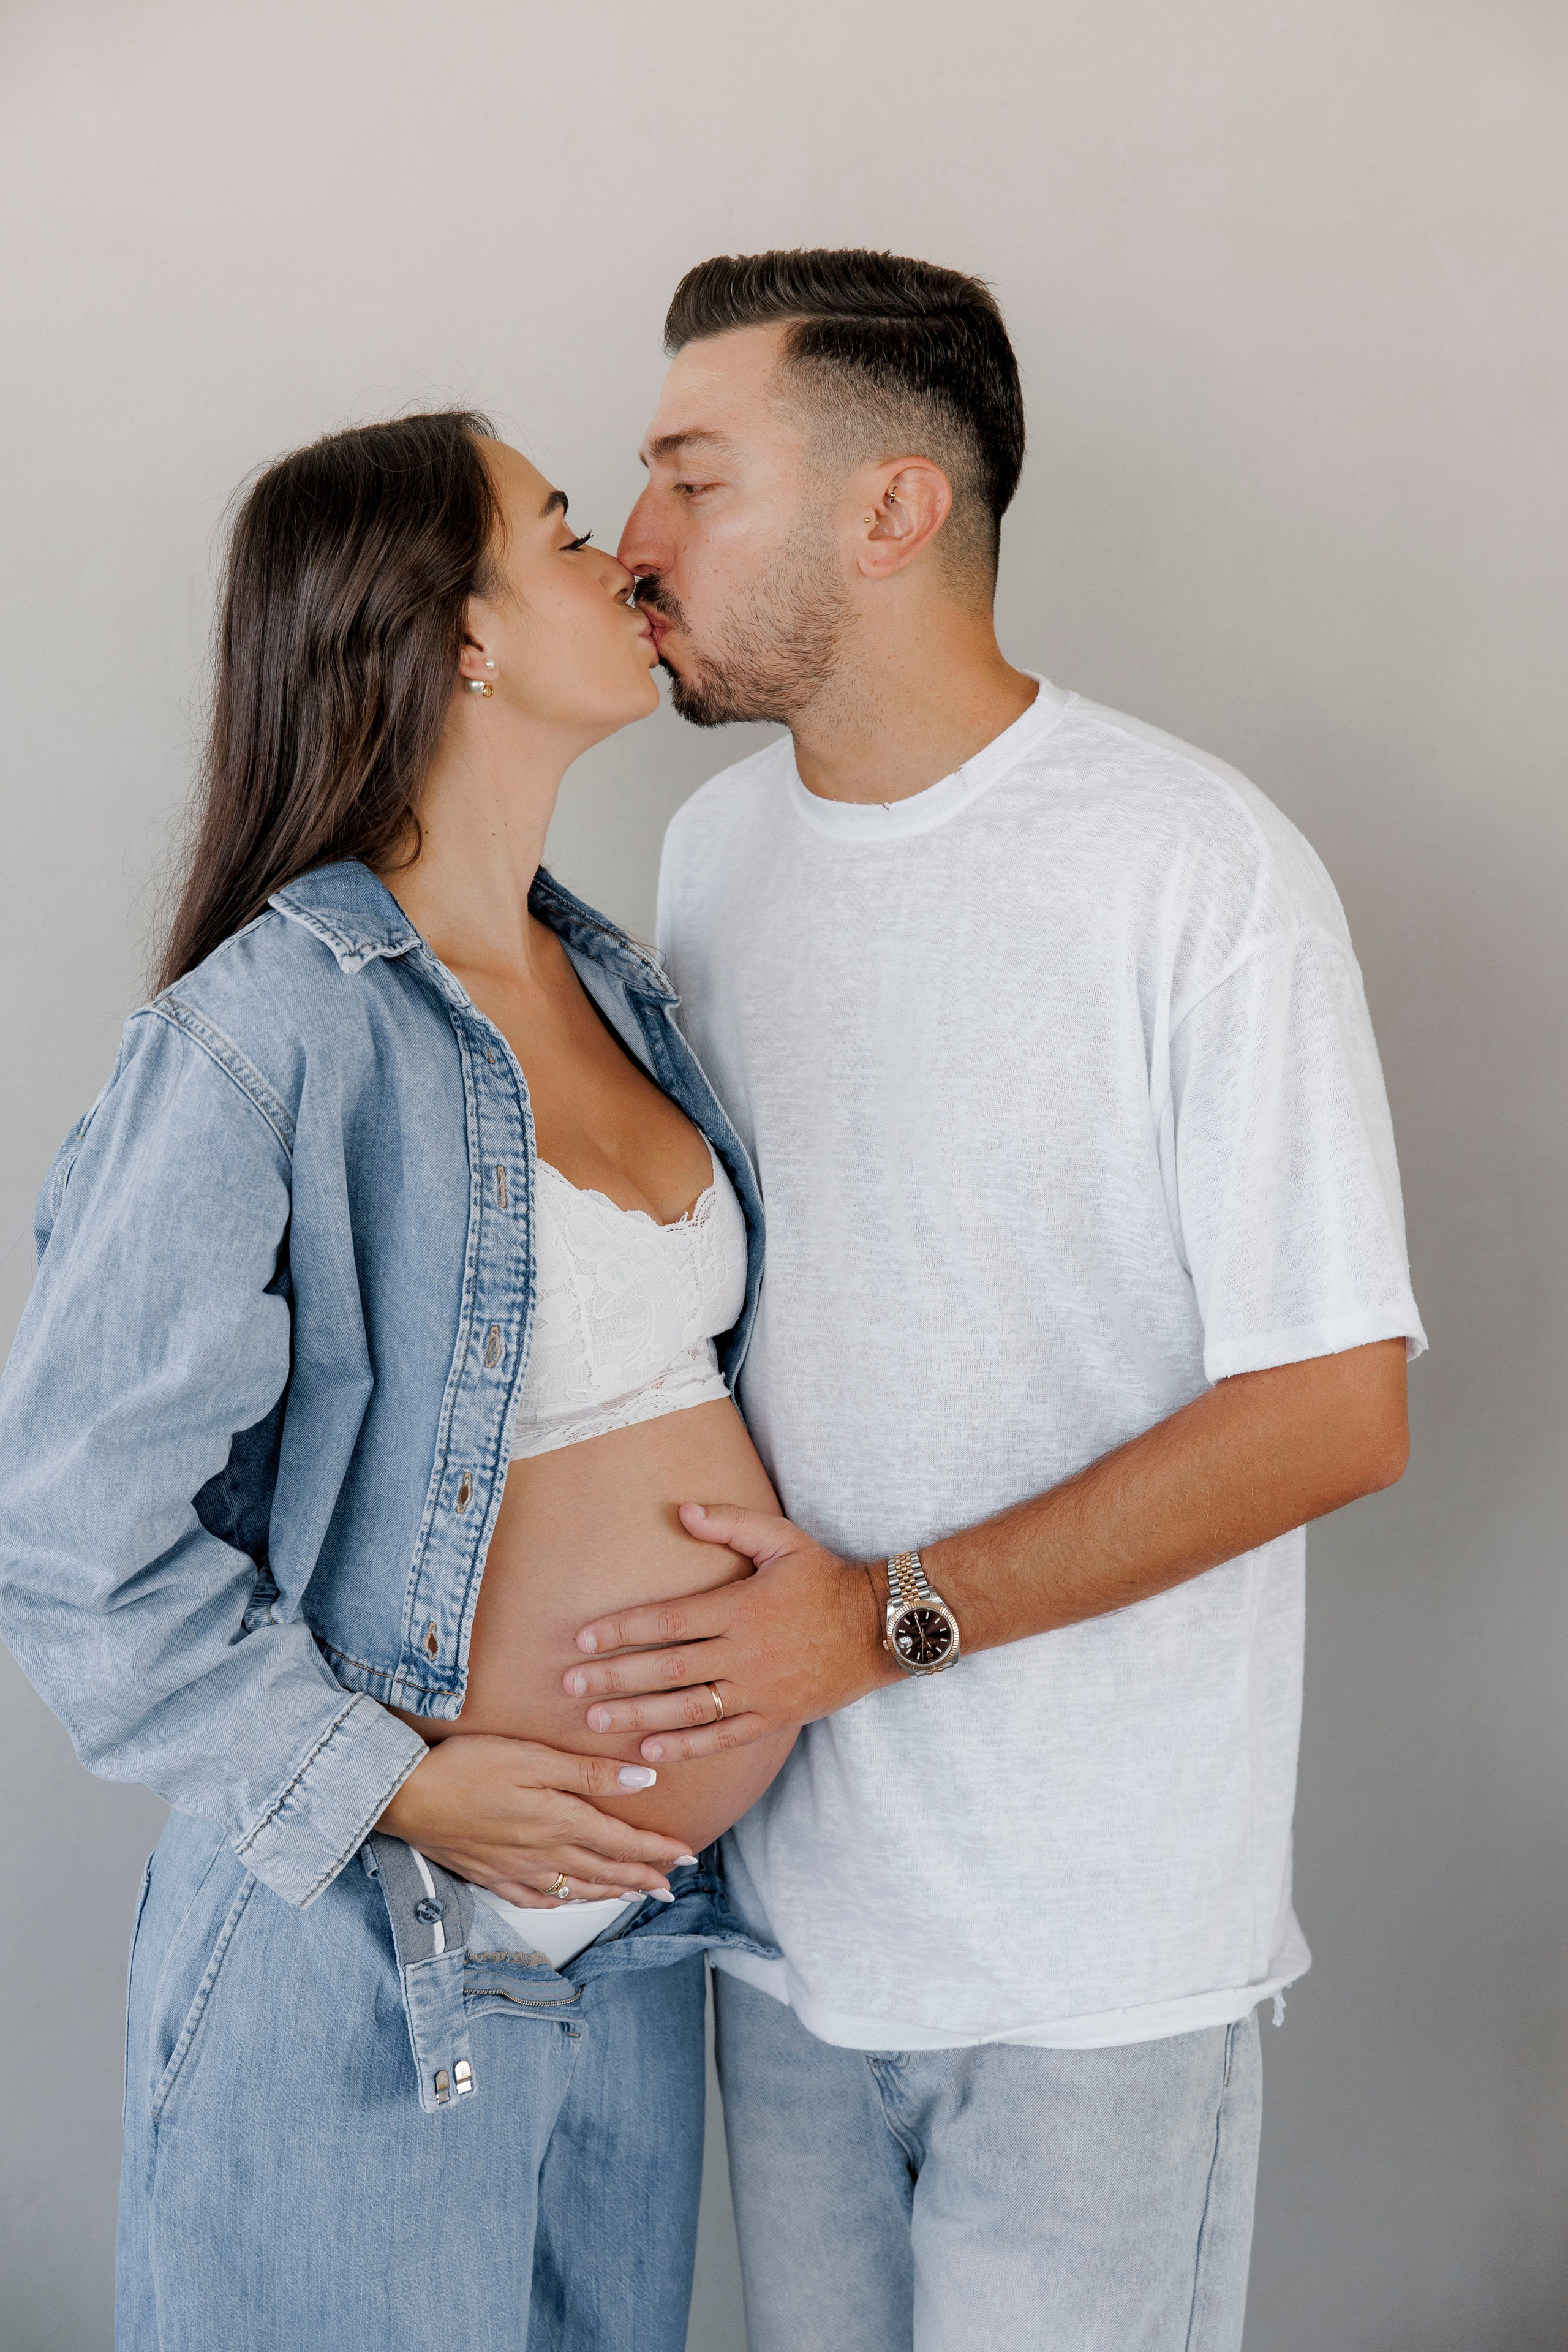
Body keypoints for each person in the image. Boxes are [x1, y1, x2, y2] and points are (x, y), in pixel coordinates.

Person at [564, 249, 1428, 2352]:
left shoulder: (1190, 868)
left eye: (694, 477)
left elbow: (1337, 1406)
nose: (637, 543)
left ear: (893, 513)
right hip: (782, 1924)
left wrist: (879, 1620)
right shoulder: (712, 860)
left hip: (1089, 1955)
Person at [0, 410, 796, 2352]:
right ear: (457, 638)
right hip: (375, 1964)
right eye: (552, 527)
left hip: (631, 1950)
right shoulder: (267, 1030)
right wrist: (413, 1790)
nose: (617, 547)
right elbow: (72, 1531)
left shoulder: (620, 982)